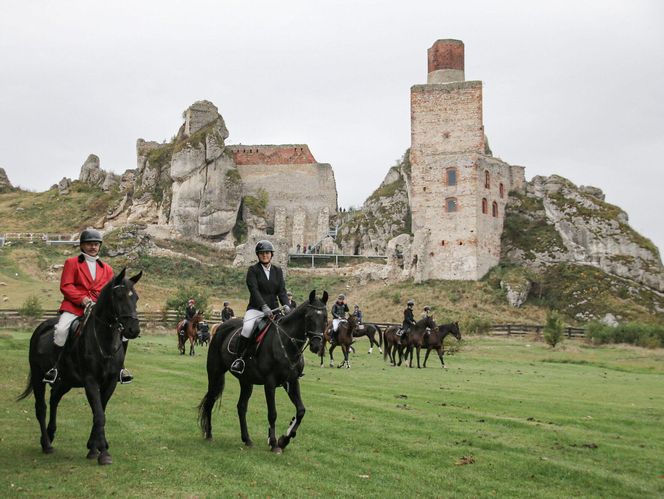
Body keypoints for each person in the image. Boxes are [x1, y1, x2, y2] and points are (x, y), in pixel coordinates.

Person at [43, 229, 133, 385]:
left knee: (122, 333)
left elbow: (109, 293)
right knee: (61, 330)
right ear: (82, 245)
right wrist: (82, 299)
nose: (93, 247)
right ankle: (55, 368)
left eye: (96, 244)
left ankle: (120, 368)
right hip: (74, 307)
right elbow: (66, 286)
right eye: (89, 244)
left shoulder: (107, 269)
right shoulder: (72, 263)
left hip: (98, 310)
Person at [231, 240, 290, 374]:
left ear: (271, 255)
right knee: (247, 328)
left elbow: (281, 291)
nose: (265, 255)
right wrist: (263, 306)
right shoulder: (253, 270)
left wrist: (287, 305)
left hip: (274, 310)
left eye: (267, 253)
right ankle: (239, 359)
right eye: (262, 253)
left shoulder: (278, 271)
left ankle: (289, 364)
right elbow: (254, 290)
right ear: (258, 255)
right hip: (256, 309)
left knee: (285, 331)